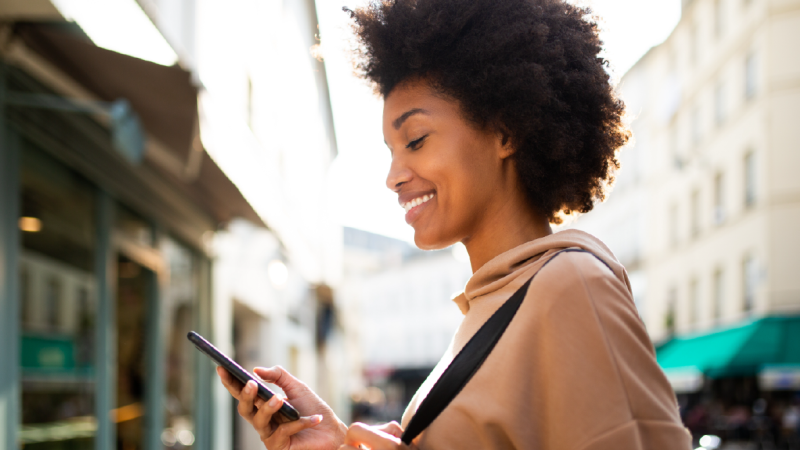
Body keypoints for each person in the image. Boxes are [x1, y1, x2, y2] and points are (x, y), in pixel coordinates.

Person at [217, 0, 692, 448]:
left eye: (417, 140)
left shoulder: (572, 288)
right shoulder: (491, 304)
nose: (393, 177)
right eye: (391, 151)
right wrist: (335, 440)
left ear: (505, 132)